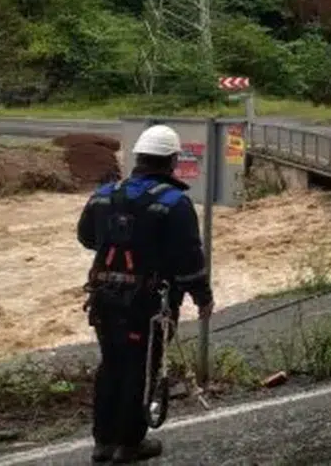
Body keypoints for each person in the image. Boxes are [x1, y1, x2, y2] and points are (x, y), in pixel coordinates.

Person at [78, 124, 214, 463]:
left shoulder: (104, 194)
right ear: (171, 162)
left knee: (111, 365)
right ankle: (129, 443)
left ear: (138, 158)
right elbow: (189, 260)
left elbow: (87, 238)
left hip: (104, 299)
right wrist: (203, 297)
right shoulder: (175, 203)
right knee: (141, 368)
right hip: (149, 304)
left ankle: (103, 443)